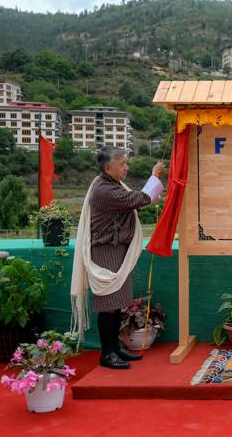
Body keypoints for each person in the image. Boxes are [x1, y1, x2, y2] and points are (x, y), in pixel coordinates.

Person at [71, 147, 165, 369]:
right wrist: (155, 176)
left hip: (116, 251)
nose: (126, 168)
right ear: (108, 168)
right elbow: (141, 199)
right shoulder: (105, 191)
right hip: (106, 252)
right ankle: (107, 353)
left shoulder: (109, 185)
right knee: (108, 305)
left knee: (118, 304)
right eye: (122, 164)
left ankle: (116, 347)